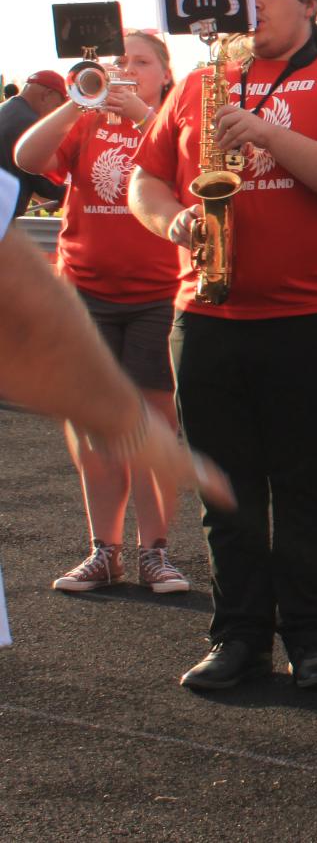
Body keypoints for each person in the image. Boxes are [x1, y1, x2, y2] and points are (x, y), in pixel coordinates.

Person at [129, 0, 317, 693]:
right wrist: (173, 220)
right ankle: (238, 635)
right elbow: (146, 181)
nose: (257, 6)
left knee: (307, 488)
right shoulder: (197, 85)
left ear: (310, 0)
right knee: (225, 489)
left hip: (306, 320)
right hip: (207, 316)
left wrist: (271, 133)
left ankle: (310, 639)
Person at [13, 30, 191, 593]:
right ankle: (104, 550)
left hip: (159, 293)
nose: (127, 70)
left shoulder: (175, 119)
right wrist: (78, 98)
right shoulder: (85, 120)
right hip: (86, 291)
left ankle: (155, 552)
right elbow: (26, 156)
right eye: (120, 62)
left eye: (141, 62)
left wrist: (143, 114)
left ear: (164, 74)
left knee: (153, 427)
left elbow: (191, 174)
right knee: (94, 429)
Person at [0, 202, 233, 511]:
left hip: (158, 291)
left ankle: (151, 549)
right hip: (98, 288)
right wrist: (132, 426)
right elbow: (17, 300)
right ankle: (109, 546)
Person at [1, 69, 68, 219]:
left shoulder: (5, 110)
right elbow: (42, 183)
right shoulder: (30, 124)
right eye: (57, 106)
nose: (53, 115)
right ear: (47, 95)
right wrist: (74, 193)